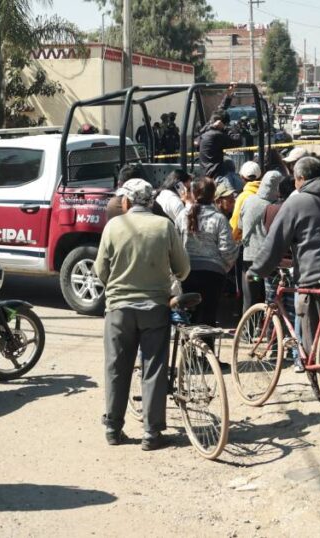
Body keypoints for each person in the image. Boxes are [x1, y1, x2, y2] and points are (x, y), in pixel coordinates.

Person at [95, 178, 190, 450]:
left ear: (126, 202)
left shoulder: (114, 226)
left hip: (118, 310)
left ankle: (113, 428)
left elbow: (100, 271)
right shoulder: (164, 226)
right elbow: (182, 270)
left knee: (116, 367)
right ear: (152, 202)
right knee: (154, 368)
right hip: (155, 308)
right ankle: (152, 433)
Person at [251, 156, 320, 348]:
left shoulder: (296, 202)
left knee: (314, 332)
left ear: (301, 178)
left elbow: (275, 243)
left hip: (315, 276)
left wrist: (257, 270)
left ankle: (318, 373)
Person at [176, 178, 240, 328]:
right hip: (214, 275)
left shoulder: (182, 216)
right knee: (208, 318)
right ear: (213, 196)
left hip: (188, 273)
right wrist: (223, 267)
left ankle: (188, 349)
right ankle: (207, 349)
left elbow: (175, 246)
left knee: (189, 317)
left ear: (193, 192)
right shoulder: (219, 219)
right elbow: (228, 251)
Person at [239, 171, 282, 314]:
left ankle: (248, 331)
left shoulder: (248, 200)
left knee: (250, 299)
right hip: (267, 259)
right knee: (270, 298)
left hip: (248, 257)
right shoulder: (276, 207)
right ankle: (269, 330)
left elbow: (239, 226)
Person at [197, 85, 242, 177]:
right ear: (221, 124)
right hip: (216, 175)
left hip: (205, 171)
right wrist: (225, 128)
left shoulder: (207, 129)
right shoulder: (217, 135)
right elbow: (238, 140)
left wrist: (228, 95)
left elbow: (220, 110)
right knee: (229, 163)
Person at [230, 161, 262, 238]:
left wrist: (230, 239)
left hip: (246, 243)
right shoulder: (266, 194)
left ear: (242, 178)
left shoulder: (243, 197)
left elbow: (235, 224)